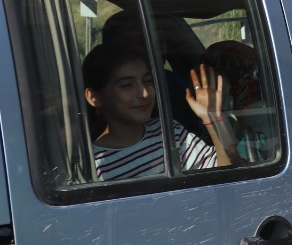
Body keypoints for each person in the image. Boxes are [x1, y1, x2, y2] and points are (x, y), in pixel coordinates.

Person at [82, 44, 237, 180]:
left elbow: (224, 175)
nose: (144, 93)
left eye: (148, 81)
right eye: (126, 85)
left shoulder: (170, 133)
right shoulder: (94, 165)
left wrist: (212, 118)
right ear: (94, 97)